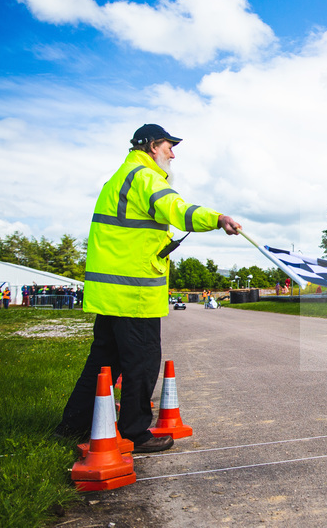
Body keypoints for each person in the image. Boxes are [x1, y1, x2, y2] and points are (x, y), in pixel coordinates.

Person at [55, 124, 242, 453]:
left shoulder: (120, 177)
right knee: (141, 362)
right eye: (169, 146)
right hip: (133, 292)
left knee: (103, 364)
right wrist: (218, 218)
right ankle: (135, 432)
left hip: (113, 291)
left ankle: (72, 426)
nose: (173, 153)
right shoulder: (144, 177)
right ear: (153, 146)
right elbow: (177, 209)